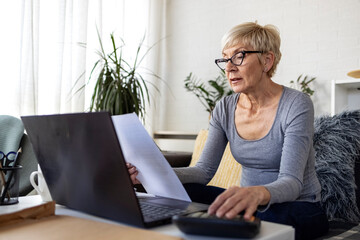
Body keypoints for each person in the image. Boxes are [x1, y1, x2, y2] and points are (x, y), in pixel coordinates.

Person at [127, 22, 329, 240]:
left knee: (268, 217)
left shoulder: (296, 103)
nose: (229, 67)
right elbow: (204, 171)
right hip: (247, 207)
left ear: (267, 61)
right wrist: (147, 176)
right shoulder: (224, 107)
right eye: (225, 58)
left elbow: (292, 182)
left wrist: (254, 193)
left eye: (239, 56)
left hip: (297, 208)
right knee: (188, 191)